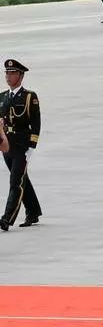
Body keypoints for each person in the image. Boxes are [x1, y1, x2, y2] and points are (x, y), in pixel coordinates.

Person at [0, 59, 41, 231]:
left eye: (12, 73)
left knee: (15, 181)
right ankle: (33, 211)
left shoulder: (29, 97)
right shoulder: (2, 97)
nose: (8, 77)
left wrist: (31, 147)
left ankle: (6, 219)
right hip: (6, 145)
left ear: (20, 75)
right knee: (22, 178)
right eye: (7, 73)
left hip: (22, 146)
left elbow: (36, 123)